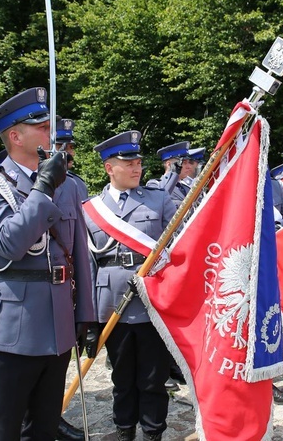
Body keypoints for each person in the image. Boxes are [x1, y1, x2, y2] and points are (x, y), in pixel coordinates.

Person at [0, 87, 95, 441]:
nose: (50, 134)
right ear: (15, 135)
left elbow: (78, 255)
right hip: (13, 327)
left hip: (58, 325)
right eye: (41, 126)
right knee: (7, 428)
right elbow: (9, 242)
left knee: (45, 426)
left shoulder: (66, 185)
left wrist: (85, 313)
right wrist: (42, 188)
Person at [84, 131, 176, 441]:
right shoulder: (90, 209)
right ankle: (124, 428)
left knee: (153, 376)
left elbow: (177, 249)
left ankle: (152, 431)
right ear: (109, 168)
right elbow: (86, 266)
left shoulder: (159, 198)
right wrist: (87, 318)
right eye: (129, 164)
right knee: (121, 375)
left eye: (138, 162)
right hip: (111, 303)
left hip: (153, 301)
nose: (137, 169)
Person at [147, 141, 191, 207]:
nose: (188, 167)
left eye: (188, 162)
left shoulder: (186, 188)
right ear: (169, 164)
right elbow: (161, 200)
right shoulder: (154, 185)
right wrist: (173, 174)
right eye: (183, 162)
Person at [56, 117, 89, 200]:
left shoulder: (79, 183)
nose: (71, 153)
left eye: (71, 147)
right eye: (62, 147)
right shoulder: (36, 180)